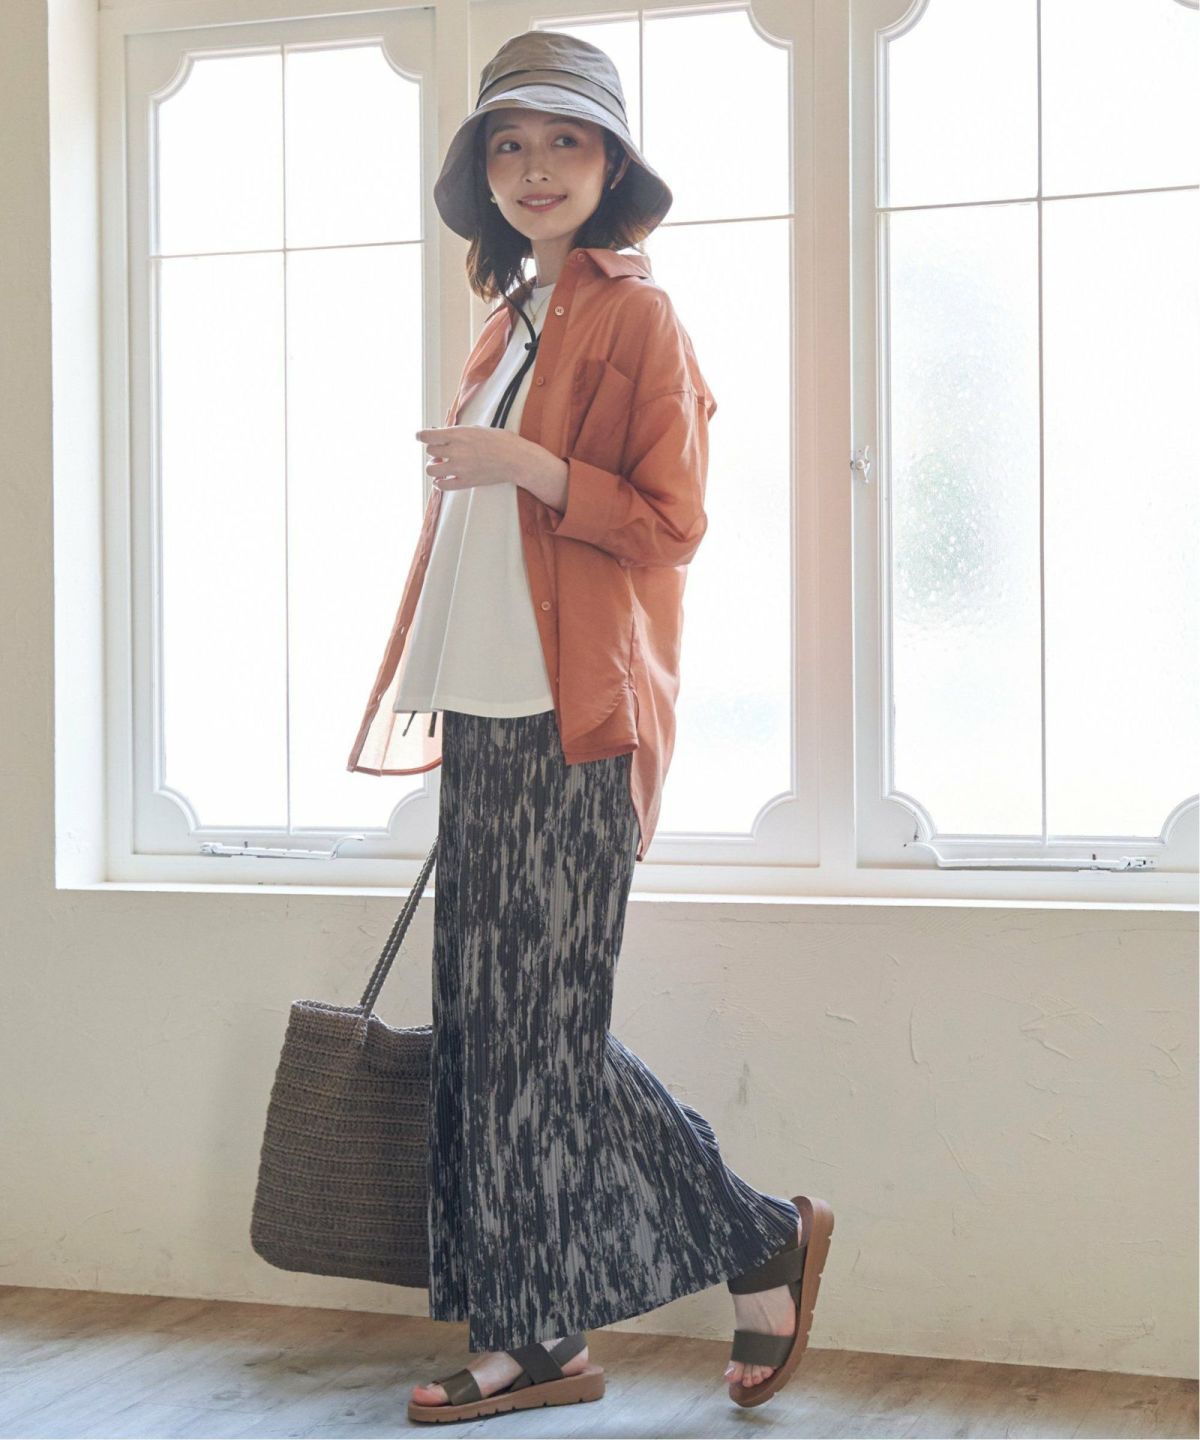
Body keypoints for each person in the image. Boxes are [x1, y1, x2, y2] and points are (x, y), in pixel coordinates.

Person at [344, 28, 834, 1424]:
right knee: (488, 1041)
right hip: (488, 718)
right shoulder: (508, 322)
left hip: (578, 727)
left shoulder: (638, 317)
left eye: (564, 141)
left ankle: (743, 1244)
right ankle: (544, 1330)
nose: (535, 168)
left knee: (541, 1039)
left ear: (612, 163)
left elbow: (671, 523)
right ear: (481, 174)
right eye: (509, 145)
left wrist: (529, 462)